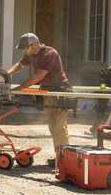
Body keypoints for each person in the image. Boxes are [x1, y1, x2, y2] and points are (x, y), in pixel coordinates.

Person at [6, 33, 72, 165]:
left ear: (35, 44)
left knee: (59, 126)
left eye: (27, 48)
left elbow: (39, 75)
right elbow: (20, 65)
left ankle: (65, 159)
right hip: (48, 91)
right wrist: (6, 73)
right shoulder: (31, 53)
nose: (25, 51)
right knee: (53, 126)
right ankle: (60, 156)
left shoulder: (50, 53)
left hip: (60, 91)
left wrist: (20, 88)